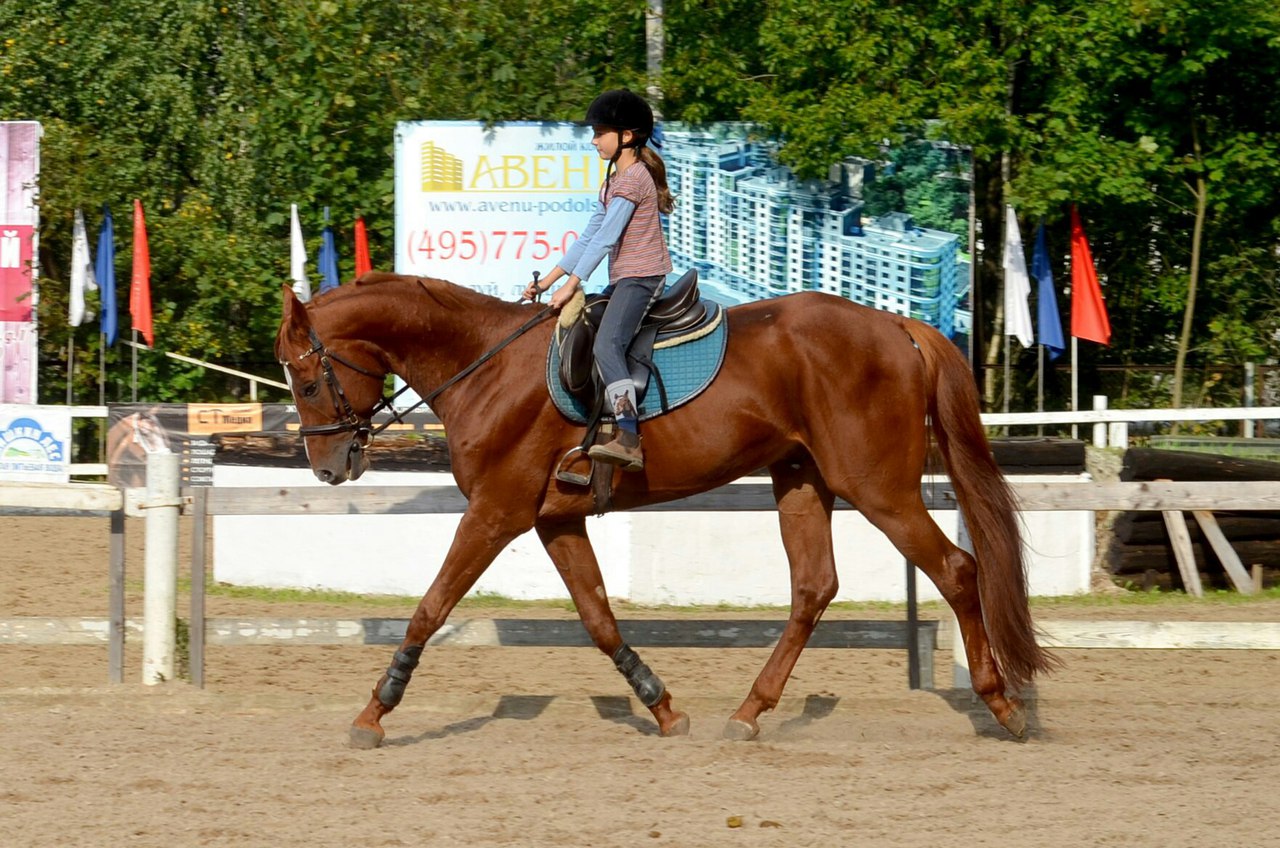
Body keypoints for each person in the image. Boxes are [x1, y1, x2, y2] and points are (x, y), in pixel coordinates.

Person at [523, 89, 675, 472]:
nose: (593, 141)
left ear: (626, 136)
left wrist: (571, 285)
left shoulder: (633, 180)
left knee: (608, 344)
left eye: (600, 133)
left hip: (642, 277)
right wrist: (548, 281)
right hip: (626, 277)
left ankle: (628, 435)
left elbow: (607, 239)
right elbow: (590, 237)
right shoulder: (613, 183)